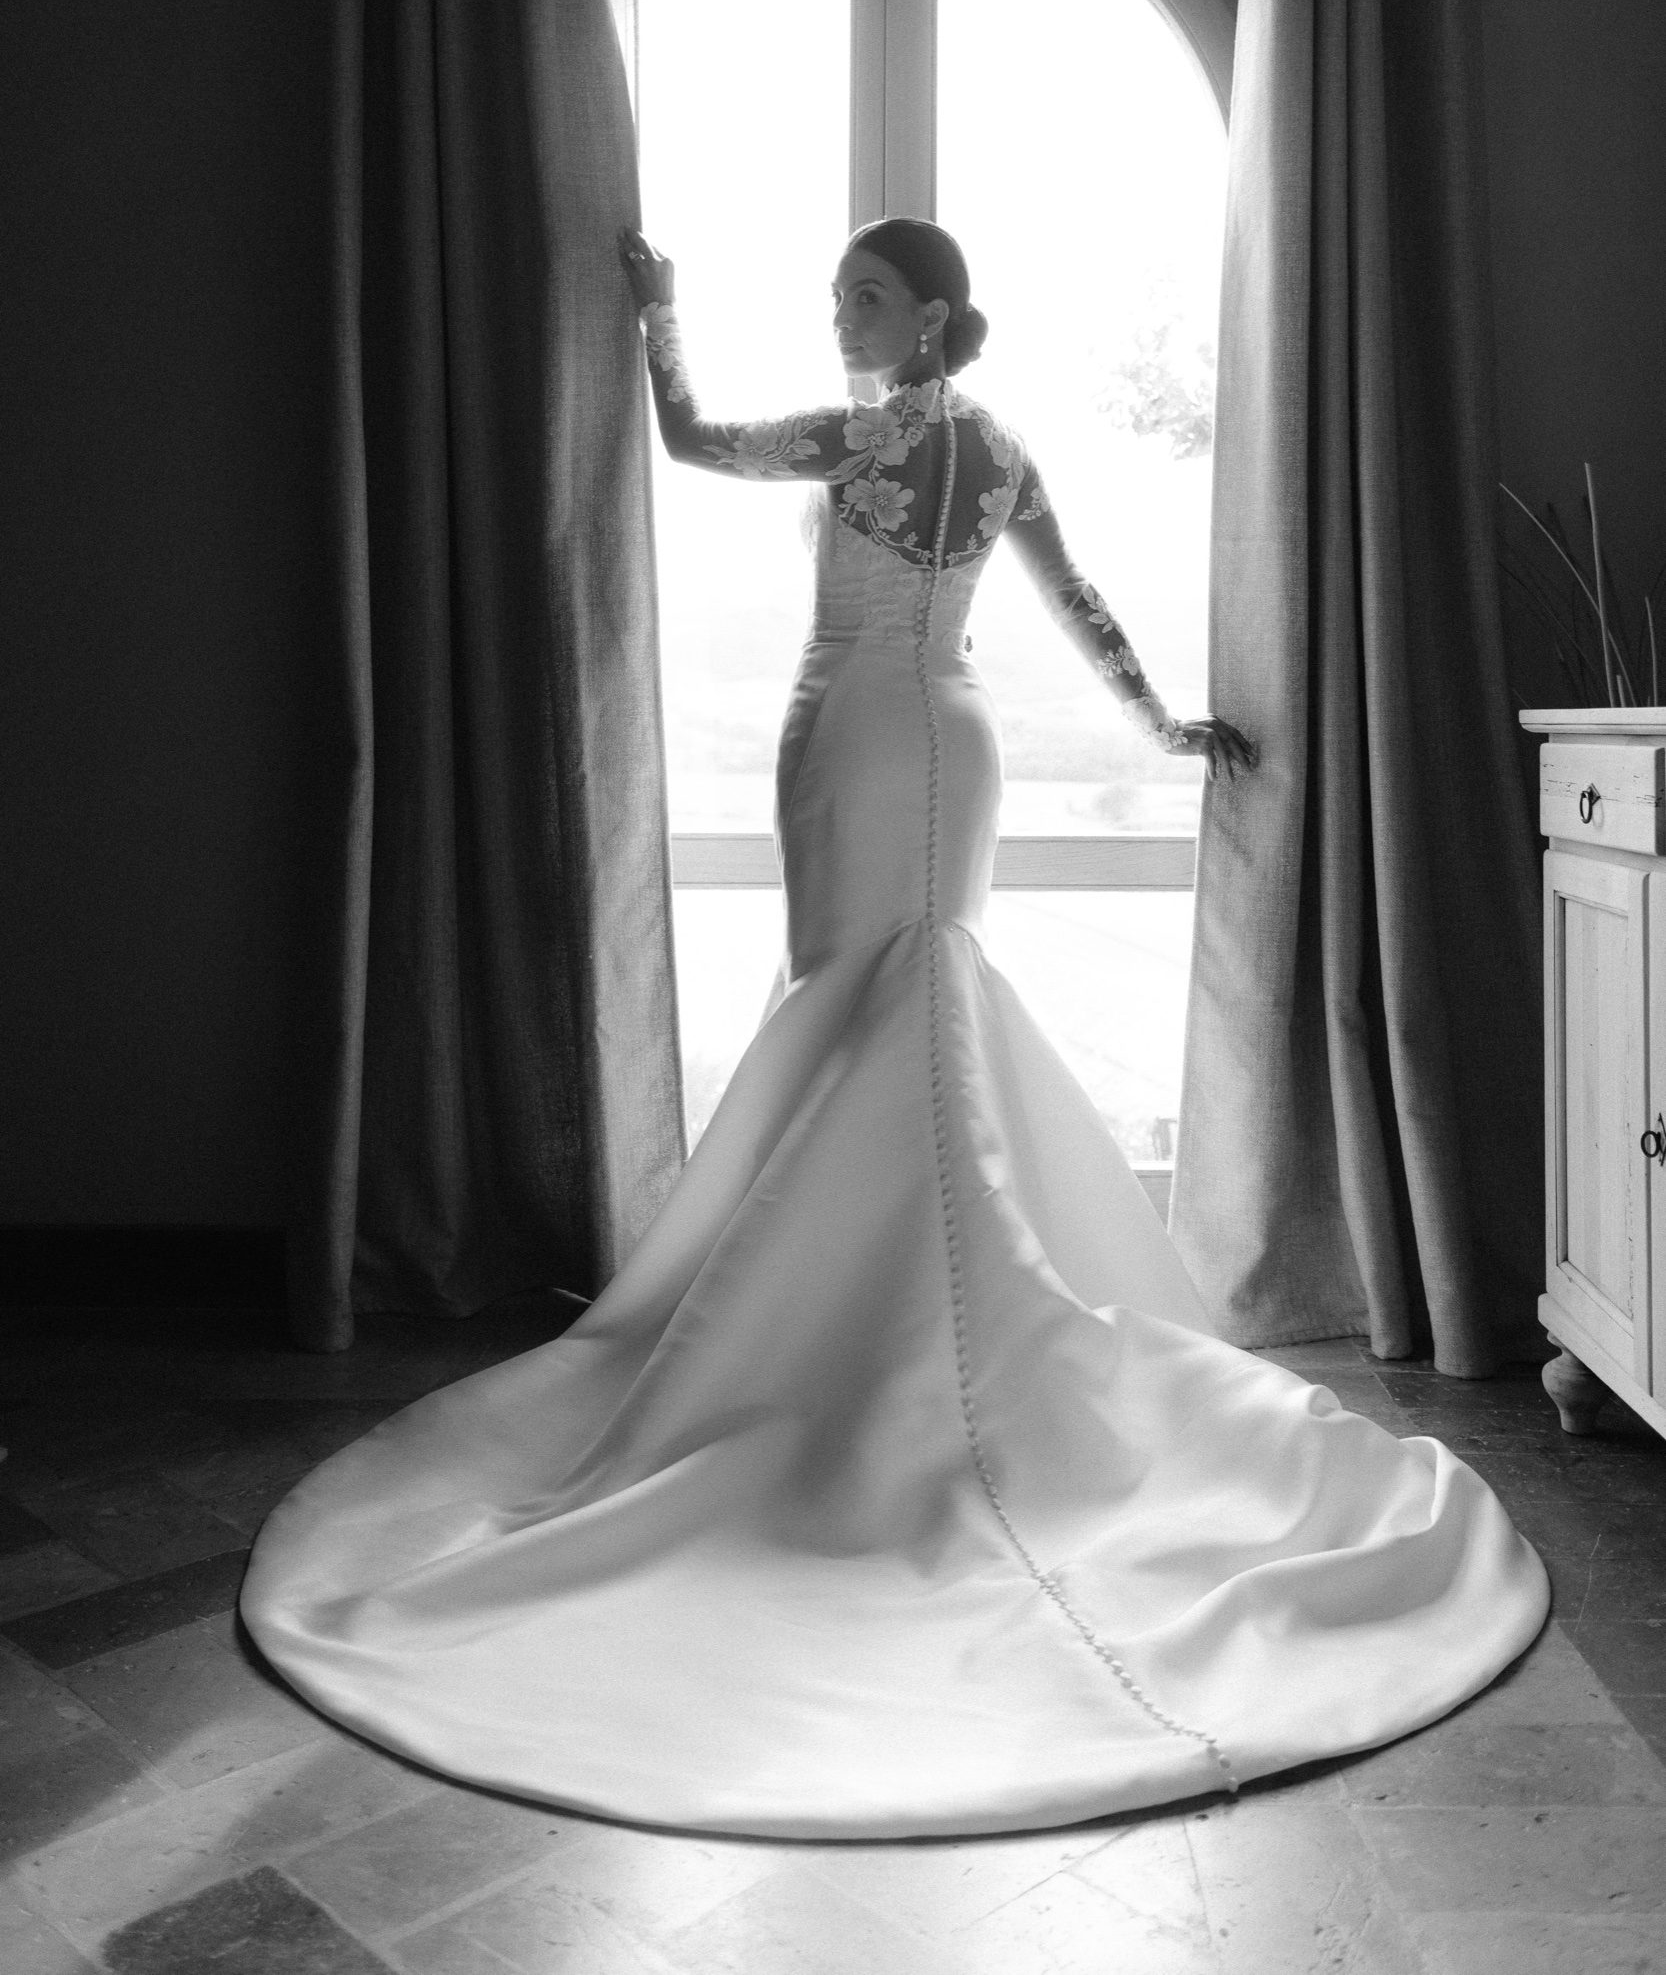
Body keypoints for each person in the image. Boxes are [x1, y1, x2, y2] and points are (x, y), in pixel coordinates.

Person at [241, 218, 1547, 1841]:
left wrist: (660, 317)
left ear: (931, 315)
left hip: (858, 720)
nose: (843, 312)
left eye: (863, 294)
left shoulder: (867, 433)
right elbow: (1071, 603)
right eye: (839, 295)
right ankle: (880, 1300)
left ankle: (863, 1322)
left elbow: (692, 439)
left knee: (879, 994)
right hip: (940, 724)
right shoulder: (996, 451)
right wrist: (1155, 717)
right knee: (897, 988)